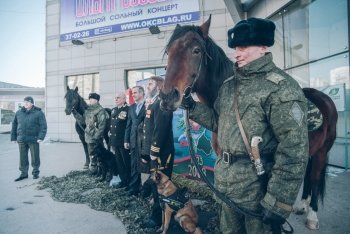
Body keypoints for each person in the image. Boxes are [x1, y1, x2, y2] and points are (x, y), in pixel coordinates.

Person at [181, 18, 309, 233]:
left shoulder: (281, 87)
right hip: (226, 183)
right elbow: (218, 122)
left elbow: (294, 149)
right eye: (235, 48)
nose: (237, 53)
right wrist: (191, 107)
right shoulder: (229, 85)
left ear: (262, 47)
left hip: (257, 189)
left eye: (243, 47)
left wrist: (279, 200)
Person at [140, 76, 175, 228]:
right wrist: (145, 152)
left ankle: (159, 220)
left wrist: (153, 152)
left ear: (159, 86)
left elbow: (159, 131)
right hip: (154, 153)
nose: (147, 85)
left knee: (161, 188)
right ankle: (159, 216)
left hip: (161, 154)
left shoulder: (162, 103)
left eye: (151, 83)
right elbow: (148, 130)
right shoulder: (153, 102)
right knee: (156, 187)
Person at [11, 96, 47, 181]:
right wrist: (13, 138)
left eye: (28, 102)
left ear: (32, 103)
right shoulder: (19, 113)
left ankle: (35, 173)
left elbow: (43, 126)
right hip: (22, 139)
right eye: (25, 102)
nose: (26, 103)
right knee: (22, 158)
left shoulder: (38, 113)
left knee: (35, 157)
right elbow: (14, 125)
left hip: (34, 139)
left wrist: (40, 137)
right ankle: (23, 174)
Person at [73, 93, 109, 173]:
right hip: (89, 138)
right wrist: (75, 113)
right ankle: (94, 171)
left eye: (92, 99)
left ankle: (103, 172)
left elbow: (101, 126)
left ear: (96, 100)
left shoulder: (100, 110)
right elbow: (83, 121)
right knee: (92, 155)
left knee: (99, 156)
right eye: (89, 99)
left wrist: (96, 137)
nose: (90, 100)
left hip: (96, 138)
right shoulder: (88, 110)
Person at [124, 86, 145, 196]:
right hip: (133, 140)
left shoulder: (148, 105)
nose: (133, 95)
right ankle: (134, 187)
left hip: (144, 141)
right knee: (134, 165)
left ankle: (146, 189)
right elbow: (129, 125)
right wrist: (126, 140)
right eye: (132, 93)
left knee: (145, 165)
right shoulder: (131, 107)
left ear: (142, 93)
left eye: (135, 93)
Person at [109, 91, 130, 188]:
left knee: (126, 163)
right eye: (115, 98)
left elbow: (127, 127)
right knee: (119, 163)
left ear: (124, 99)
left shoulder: (127, 109)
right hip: (115, 141)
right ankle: (123, 181)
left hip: (123, 141)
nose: (116, 99)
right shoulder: (113, 110)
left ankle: (129, 182)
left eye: (118, 98)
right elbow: (112, 125)